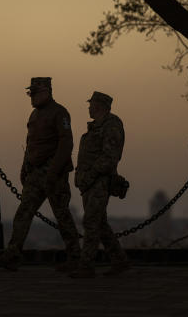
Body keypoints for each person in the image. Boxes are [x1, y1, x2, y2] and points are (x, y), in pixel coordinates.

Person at [0, 77, 81, 272]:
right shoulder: (34, 115)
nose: (31, 97)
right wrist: (25, 168)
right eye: (30, 93)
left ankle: (75, 258)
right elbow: (30, 144)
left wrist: (54, 171)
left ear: (47, 91)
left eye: (35, 93)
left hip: (54, 173)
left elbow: (66, 144)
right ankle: (13, 254)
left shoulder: (59, 113)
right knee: (23, 212)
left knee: (62, 215)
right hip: (36, 173)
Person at [71, 91, 130, 278]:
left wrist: (90, 175)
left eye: (91, 104)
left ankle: (86, 266)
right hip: (89, 183)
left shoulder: (112, 125)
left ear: (99, 105)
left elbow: (109, 157)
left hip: (100, 181)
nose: (88, 107)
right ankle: (120, 261)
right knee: (99, 223)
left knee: (91, 221)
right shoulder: (96, 127)